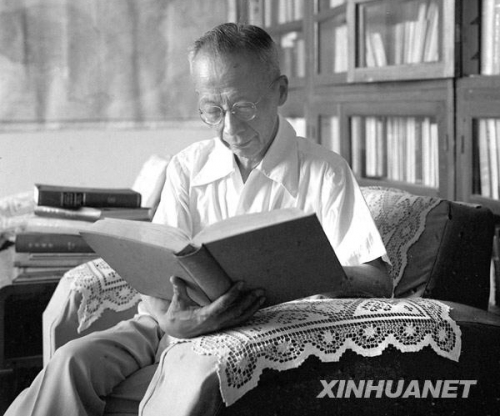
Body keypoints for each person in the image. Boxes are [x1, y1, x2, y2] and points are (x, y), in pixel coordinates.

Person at [5, 22, 392, 416]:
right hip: (166, 326)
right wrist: (173, 322)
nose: (230, 128)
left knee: (181, 385)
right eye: (213, 111)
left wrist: (305, 270)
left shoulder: (325, 171)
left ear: (280, 91)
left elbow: (378, 280)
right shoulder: (188, 167)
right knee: (72, 361)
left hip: (258, 334)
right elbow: (156, 270)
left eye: (244, 107)